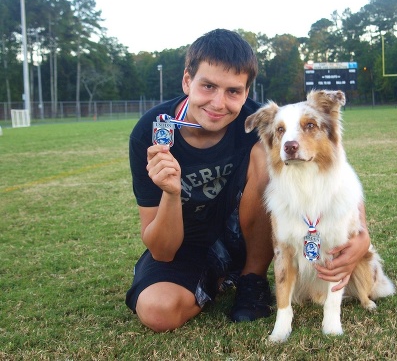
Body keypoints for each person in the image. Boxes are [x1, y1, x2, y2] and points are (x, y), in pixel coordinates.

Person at [125, 28, 372, 332]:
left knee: (266, 150)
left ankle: (252, 280)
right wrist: (171, 193)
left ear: (246, 92)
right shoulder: (150, 132)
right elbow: (162, 250)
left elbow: (334, 164)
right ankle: (215, 278)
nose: (218, 103)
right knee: (157, 312)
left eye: (233, 91)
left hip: (245, 236)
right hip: (184, 243)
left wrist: (362, 233)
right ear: (187, 80)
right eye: (208, 86)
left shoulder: (264, 121)